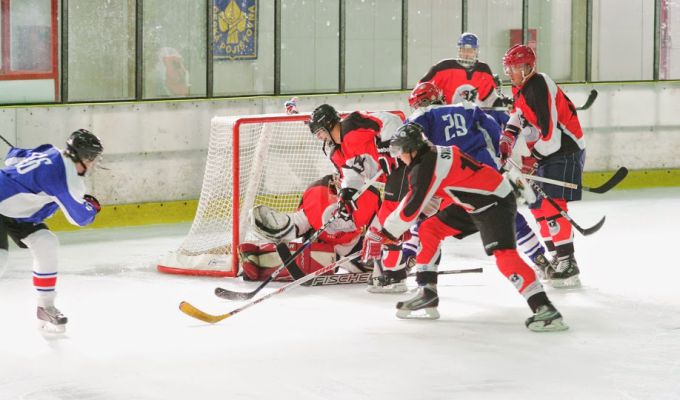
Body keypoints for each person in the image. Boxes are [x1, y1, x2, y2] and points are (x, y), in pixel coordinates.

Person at [361, 123, 567, 332]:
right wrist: (396, 229)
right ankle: (427, 293)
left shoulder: (424, 166)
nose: (398, 156)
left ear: (412, 148)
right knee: (429, 228)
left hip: (494, 202)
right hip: (475, 202)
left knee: (505, 257)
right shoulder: (431, 155)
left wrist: (385, 234)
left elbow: (411, 206)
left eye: (400, 150)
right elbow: (427, 201)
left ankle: (544, 308)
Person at [406, 81, 552, 278]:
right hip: (484, 172)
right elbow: (492, 129)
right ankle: (540, 260)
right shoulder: (466, 106)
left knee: (424, 219)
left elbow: (410, 139)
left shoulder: (422, 114)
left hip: (451, 176)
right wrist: (497, 158)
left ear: (419, 103)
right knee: (510, 216)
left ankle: (407, 261)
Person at [249, 105, 405, 286]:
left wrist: (388, 149)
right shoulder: (335, 151)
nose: (318, 137)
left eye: (320, 131)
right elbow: (351, 174)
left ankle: (396, 273)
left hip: (404, 168)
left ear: (329, 124)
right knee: (387, 227)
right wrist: (347, 196)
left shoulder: (353, 124)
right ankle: (391, 271)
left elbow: (391, 120)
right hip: (392, 179)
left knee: (392, 224)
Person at [499, 44, 586, 288]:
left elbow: (551, 134)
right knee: (537, 206)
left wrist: (532, 158)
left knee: (552, 204)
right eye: (510, 68)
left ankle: (568, 262)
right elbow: (520, 113)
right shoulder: (522, 88)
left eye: (517, 67)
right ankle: (557, 255)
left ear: (529, 67)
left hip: (565, 150)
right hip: (547, 152)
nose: (512, 72)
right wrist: (509, 134)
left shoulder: (538, 84)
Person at [0, 129, 103, 333]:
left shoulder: (51, 151)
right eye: (92, 158)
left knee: (45, 242)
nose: (93, 163)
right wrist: (93, 207)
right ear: (84, 157)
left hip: (17, 212)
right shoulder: (67, 180)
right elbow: (79, 218)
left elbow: (12, 157)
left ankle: (45, 307)